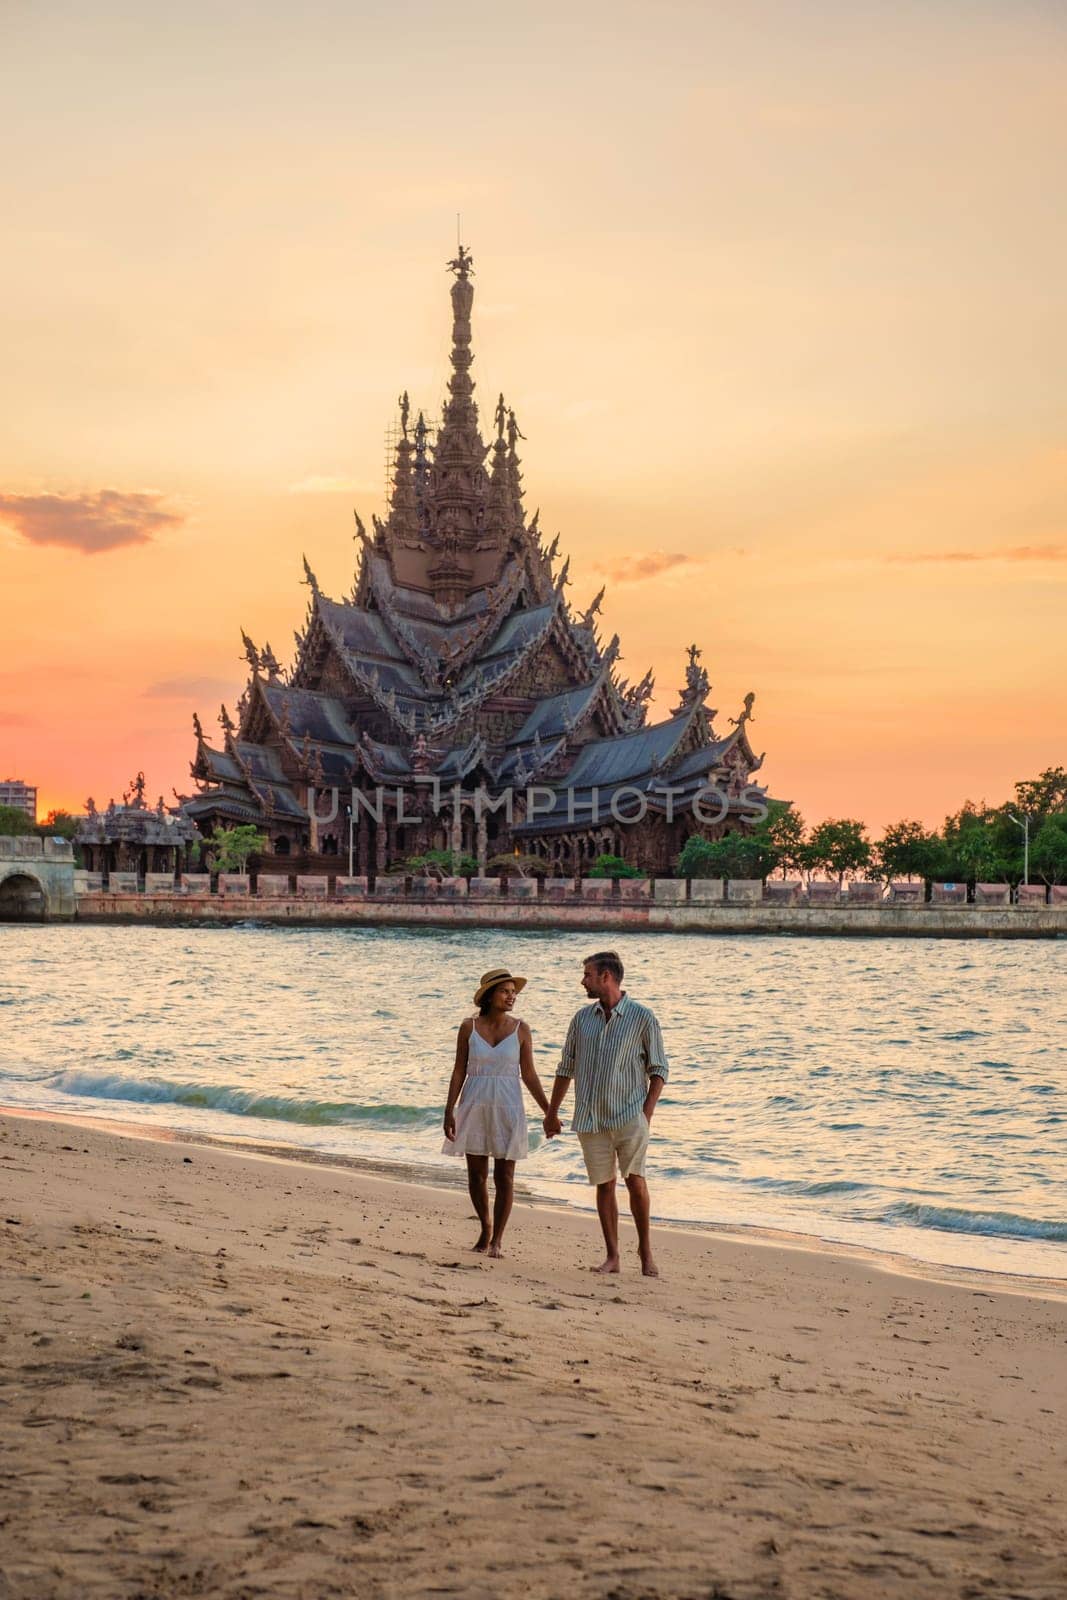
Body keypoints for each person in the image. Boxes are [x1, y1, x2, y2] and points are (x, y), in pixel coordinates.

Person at [543, 951, 667, 1277]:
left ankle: (645, 1250)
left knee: (635, 1181)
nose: (583, 980)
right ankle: (612, 1256)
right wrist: (552, 1113)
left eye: (587, 974)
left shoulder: (642, 1017)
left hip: (629, 1115)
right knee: (604, 1185)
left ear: (606, 977)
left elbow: (659, 1069)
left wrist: (646, 1114)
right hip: (590, 1118)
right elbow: (565, 1068)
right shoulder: (581, 1019)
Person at [442, 967, 551, 1258]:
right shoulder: (469, 1027)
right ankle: (485, 1226)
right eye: (505, 991)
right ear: (489, 996)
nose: (511, 997)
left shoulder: (521, 1029)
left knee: (505, 1177)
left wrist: (548, 1111)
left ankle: (498, 1240)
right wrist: (449, 1110)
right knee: (476, 1175)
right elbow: (458, 1071)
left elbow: (529, 1074)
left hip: (508, 1106)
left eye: (513, 992)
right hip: (474, 1104)